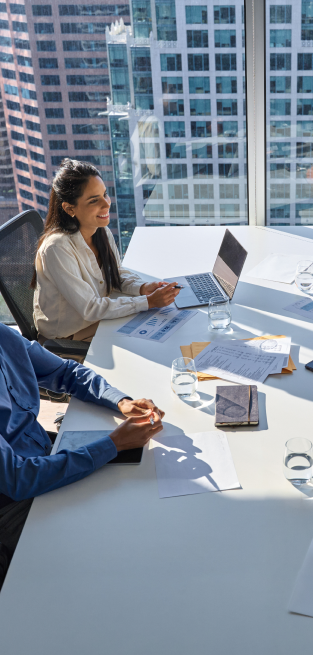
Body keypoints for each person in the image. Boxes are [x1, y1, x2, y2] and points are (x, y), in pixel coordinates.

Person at [0, 322, 164, 588]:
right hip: (13, 500)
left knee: (145, 490)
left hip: (41, 455)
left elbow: (65, 372)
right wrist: (114, 444)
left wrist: (120, 401)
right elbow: (19, 480)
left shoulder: (2, 335)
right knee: (117, 548)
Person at [33, 159, 180, 343]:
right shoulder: (57, 248)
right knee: (152, 339)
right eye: (94, 200)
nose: (106, 204)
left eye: (105, 194)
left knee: (165, 327)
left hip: (96, 319)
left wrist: (142, 288)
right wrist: (148, 302)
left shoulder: (100, 231)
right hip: (69, 337)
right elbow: (91, 308)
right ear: (70, 208)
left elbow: (115, 274)